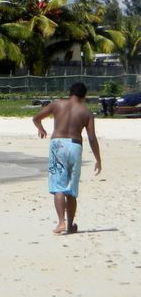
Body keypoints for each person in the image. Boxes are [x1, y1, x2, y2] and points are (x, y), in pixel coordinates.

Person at [32, 82, 102, 235]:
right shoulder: (86, 112)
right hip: (75, 146)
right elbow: (91, 138)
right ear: (84, 97)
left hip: (57, 145)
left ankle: (61, 222)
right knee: (70, 188)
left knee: (58, 186)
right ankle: (70, 225)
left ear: (70, 93)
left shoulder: (56, 105)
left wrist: (41, 129)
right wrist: (98, 159)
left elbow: (36, 118)